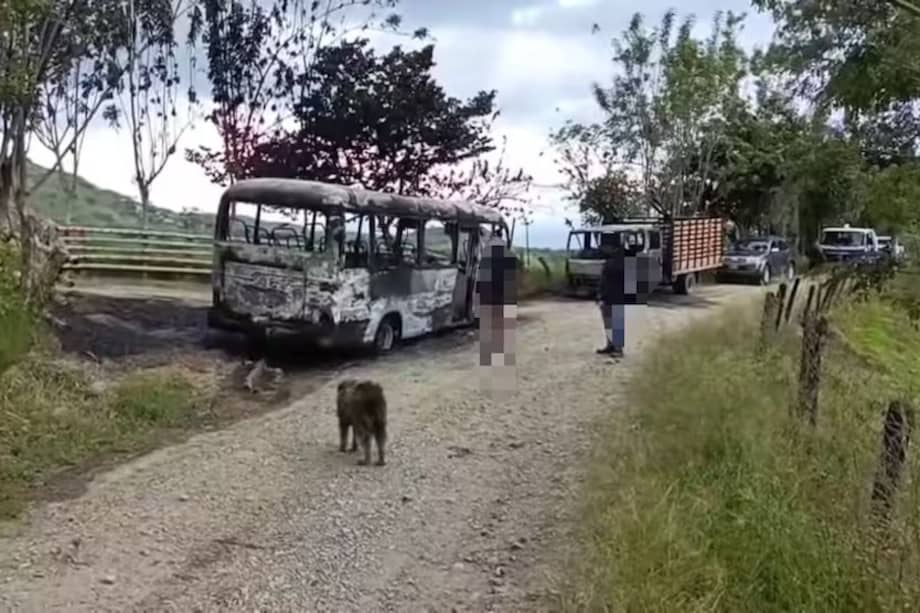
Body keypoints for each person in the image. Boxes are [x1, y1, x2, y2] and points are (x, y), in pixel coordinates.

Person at [596, 237, 626, 358]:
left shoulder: (620, 260)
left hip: (617, 295)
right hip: (608, 295)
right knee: (608, 322)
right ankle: (610, 345)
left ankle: (618, 349)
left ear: (612, 247)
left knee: (616, 322)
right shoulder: (611, 259)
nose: (603, 249)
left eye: (605, 247)